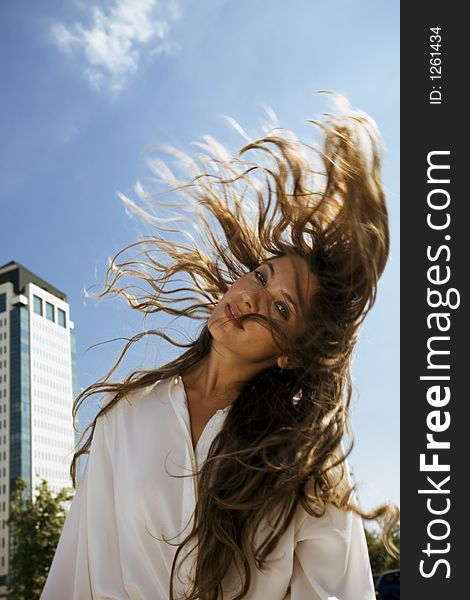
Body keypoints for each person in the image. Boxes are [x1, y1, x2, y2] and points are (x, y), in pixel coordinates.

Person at [41, 96, 399, 600]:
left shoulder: (306, 459)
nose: (251, 297)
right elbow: (75, 573)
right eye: (260, 276)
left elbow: (337, 592)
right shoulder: (123, 415)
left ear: (290, 355)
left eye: (280, 309)